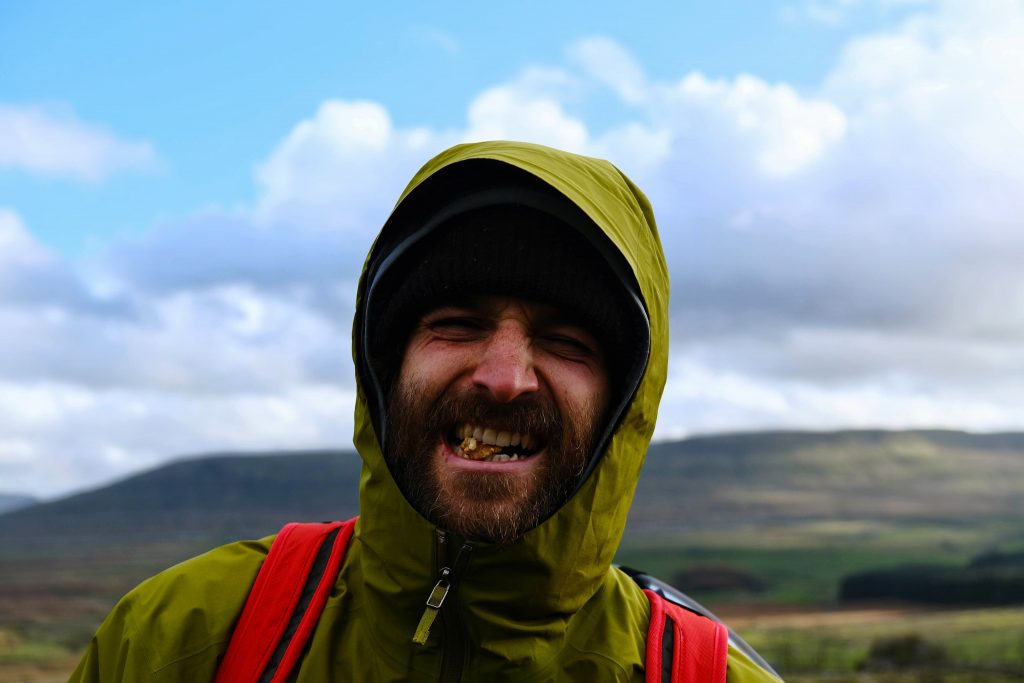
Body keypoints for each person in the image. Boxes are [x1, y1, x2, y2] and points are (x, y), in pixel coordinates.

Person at [71, 141, 781, 681]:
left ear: (622, 404)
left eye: (566, 340)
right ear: (385, 363)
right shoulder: (179, 640)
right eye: (457, 322)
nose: (505, 378)